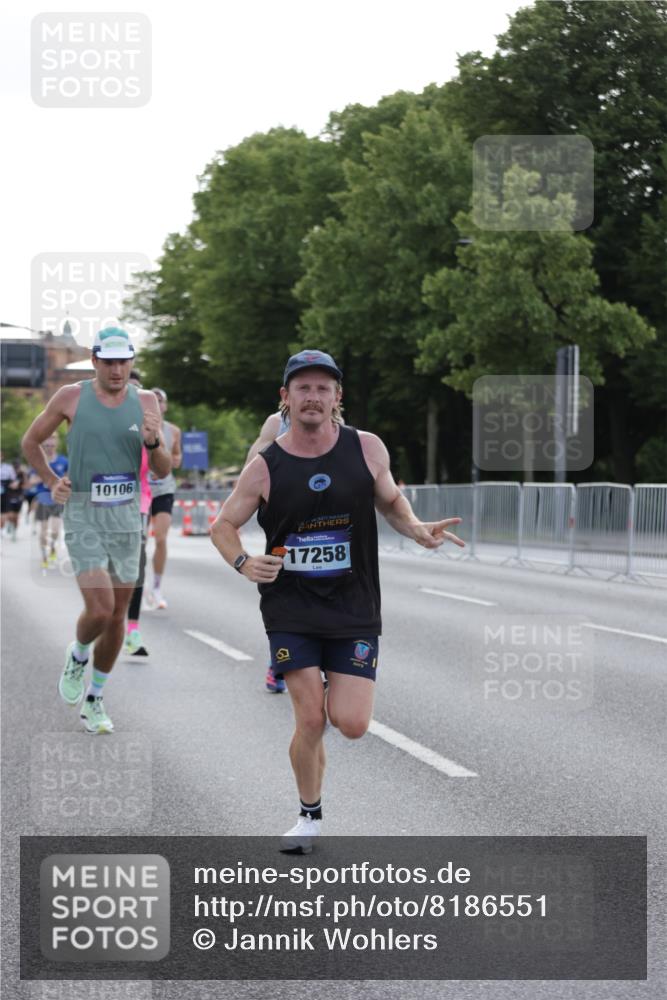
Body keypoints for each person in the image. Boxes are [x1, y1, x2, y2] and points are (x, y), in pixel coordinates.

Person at [211, 349, 464, 852]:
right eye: (302, 388)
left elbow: (391, 501)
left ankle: (329, 681)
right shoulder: (265, 466)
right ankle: (309, 817)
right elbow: (223, 526)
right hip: (291, 609)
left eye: (322, 388)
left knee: (351, 724)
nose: (313, 396)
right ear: (285, 397)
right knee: (310, 718)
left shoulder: (366, 448)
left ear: (337, 396)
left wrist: (416, 528)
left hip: (353, 607)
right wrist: (243, 563)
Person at [22, 326, 171, 734]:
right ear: (95, 360)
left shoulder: (145, 402)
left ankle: (95, 697)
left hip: (127, 516)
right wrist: (52, 481)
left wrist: (154, 443)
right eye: (109, 362)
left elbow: (162, 470)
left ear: (132, 361)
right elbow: (31, 441)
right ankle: (78, 653)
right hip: (84, 511)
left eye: (124, 362)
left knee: (119, 614)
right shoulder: (70, 396)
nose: (117, 370)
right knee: (101, 609)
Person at [244, 410, 290, 693]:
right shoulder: (276, 423)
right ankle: (278, 661)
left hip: (327, 523)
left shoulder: (338, 426)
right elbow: (251, 469)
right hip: (284, 525)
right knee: (283, 592)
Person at [144, 388, 181, 610]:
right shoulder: (137, 425)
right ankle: (136, 585)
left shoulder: (173, 431)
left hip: (164, 489)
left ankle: (156, 587)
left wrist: (171, 461)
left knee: (160, 538)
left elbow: (176, 455)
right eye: (153, 400)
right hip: (142, 489)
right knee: (139, 541)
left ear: (165, 406)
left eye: (160, 401)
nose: (156, 404)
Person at [123, 370, 152, 656]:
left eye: (137, 390)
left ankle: (132, 629)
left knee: (137, 565)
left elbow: (163, 466)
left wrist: (153, 441)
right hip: (100, 508)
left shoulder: (147, 424)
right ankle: (104, 621)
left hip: (138, 502)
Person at [31, 435, 68, 568]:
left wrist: (63, 483)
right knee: (44, 530)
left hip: (57, 499)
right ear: (42, 446)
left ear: (56, 444)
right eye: (46, 445)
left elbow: (68, 477)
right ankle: (44, 557)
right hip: (42, 498)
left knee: (55, 531)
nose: (49, 447)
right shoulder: (38, 461)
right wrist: (45, 478)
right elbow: (31, 481)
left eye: (52, 445)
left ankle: (52, 548)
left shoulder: (63, 461)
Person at [1, 459, 25, 540]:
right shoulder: (8, 475)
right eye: (15, 467)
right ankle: (9, 525)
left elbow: (24, 485)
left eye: (17, 467)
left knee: (16, 516)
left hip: (19, 497)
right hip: (9, 497)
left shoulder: (21, 475)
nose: (16, 469)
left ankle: (14, 531)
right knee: (10, 515)